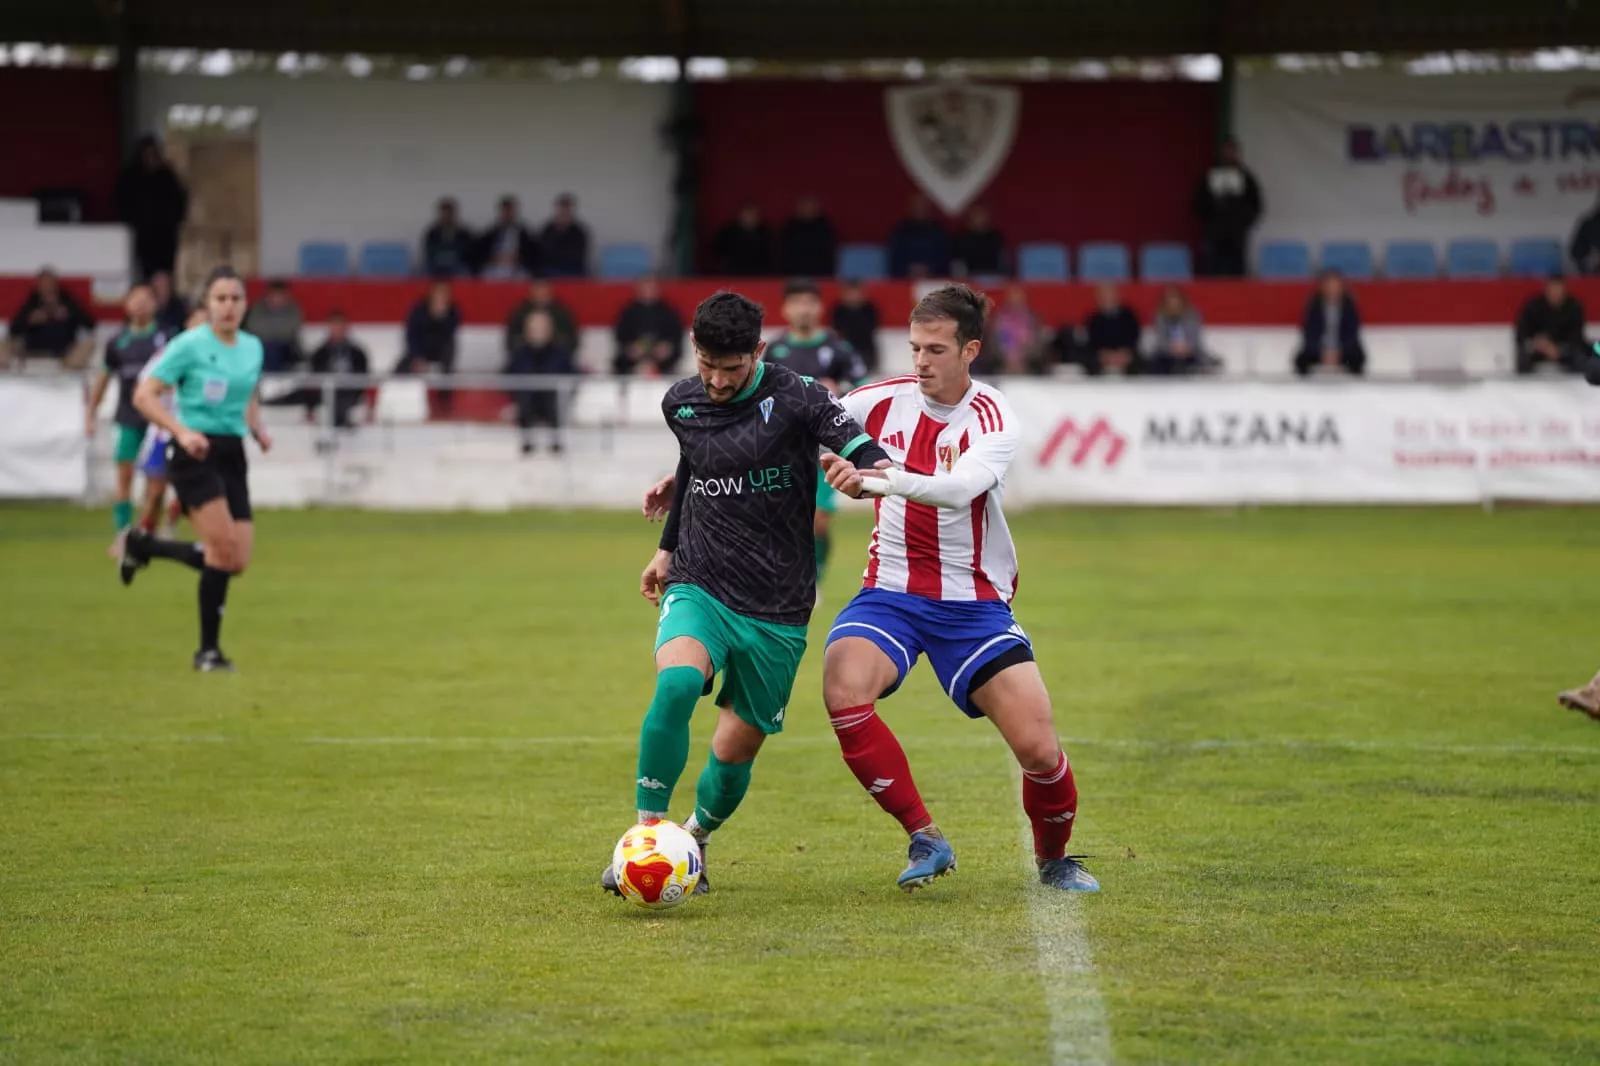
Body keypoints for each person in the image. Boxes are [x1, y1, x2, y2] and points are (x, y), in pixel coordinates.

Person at [601, 290, 892, 898]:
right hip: (702, 579)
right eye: (706, 363)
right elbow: (695, 469)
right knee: (677, 683)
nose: (716, 379)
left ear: (758, 352)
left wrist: (861, 472)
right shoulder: (679, 401)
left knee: (735, 750)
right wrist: (666, 550)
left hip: (779, 604)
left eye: (731, 369)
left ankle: (697, 839)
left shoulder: (800, 395)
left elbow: (865, 448)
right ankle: (646, 836)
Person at [816, 284, 1098, 894]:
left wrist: (879, 481)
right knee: (843, 689)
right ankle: (925, 836)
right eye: (915, 347)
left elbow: (958, 487)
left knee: (1040, 750)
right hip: (889, 592)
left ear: (970, 350)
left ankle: (1055, 859)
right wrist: (684, 477)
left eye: (936, 349)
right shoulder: (878, 402)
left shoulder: (992, 415)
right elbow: (789, 426)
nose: (920, 361)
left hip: (972, 603)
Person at [121, 267, 271, 673]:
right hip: (193, 452)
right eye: (219, 298)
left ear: (245, 304)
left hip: (232, 452)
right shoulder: (188, 345)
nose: (228, 306)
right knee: (221, 549)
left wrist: (257, 428)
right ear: (206, 304)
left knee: (238, 560)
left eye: (235, 298)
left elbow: (248, 390)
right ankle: (208, 653)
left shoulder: (253, 347)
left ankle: (145, 546)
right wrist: (182, 432)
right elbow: (144, 395)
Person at [764, 279, 871, 592]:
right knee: (785, 518)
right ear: (785, 308)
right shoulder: (776, 349)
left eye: (810, 302)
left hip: (826, 445)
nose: (804, 309)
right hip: (785, 445)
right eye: (797, 302)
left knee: (819, 519)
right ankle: (785, 577)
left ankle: (816, 577)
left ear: (820, 307)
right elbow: (761, 393)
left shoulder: (838, 348)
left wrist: (840, 391)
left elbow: (864, 389)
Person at [86, 284, 170, 541]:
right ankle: (123, 534)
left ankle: (147, 533)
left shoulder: (167, 338)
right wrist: (91, 413)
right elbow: (103, 379)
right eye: (135, 298)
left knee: (156, 481)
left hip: (158, 419)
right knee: (124, 474)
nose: (140, 304)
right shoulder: (116, 342)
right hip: (127, 417)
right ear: (126, 303)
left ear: (155, 304)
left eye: (146, 299)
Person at [115, 135, 189, 279]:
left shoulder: (167, 176)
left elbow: (180, 200)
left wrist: (175, 220)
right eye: (146, 154)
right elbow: (121, 202)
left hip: (165, 234)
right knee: (144, 272)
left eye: (152, 153)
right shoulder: (131, 177)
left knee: (165, 272)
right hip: (142, 236)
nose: (150, 158)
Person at [504, 308, 575, 455]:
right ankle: (527, 442)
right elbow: (507, 377)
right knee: (524, 398)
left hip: (553, 402)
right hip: (527, 403)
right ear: (527, 330)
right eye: (534, 328)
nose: (538, 332)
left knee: (555, 400)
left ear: (550, 329)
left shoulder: (561, 353)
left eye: (542, 328)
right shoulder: (519, 354)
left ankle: (556, 441)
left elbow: (573, 377)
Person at [1193, 136, 1263, 278]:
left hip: (1237, 234)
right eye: (1226, 150)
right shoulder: (1209, 175)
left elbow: (1256, 204)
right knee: (1214, 269)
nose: (1229, 154)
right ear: (1220, 152)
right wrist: (1212, 211)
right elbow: (1198, 203)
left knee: (1237, 270)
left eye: (1232, 151)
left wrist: (1242, 220)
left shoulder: (1246, 177)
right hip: (1215, 233)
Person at [4, 268, 96, 370]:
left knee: (88, 344)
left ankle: (69, 369)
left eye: (50, 283)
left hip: (64, 350)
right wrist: (29, 320)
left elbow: (90, 324)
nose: (47, 287)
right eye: (43, 283)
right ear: (38, 285)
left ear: (56, 284)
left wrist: (70, 314)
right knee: (3, 344)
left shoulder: (68, 301)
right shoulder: (32, 302)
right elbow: (12, 330)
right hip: (33, 347)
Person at [400, 281, 461, 415]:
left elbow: (449, 335)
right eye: (437, 295)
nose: (440, 298)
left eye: (444, 296)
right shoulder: (418, 310)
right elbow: (411, 336)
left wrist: (441, 317)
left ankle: (444, 402)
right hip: (420, 350)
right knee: (400, 368)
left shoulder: (452, 312)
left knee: (448, 362)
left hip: (441, 352)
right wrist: (417, 357)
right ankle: (402, 403)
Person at [1294, 271, 1366, 377]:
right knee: (1301, 360)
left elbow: (1352, 333)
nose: (1332, 289)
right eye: (1329, 286)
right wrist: (1322, 351)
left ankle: (1354, 390)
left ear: (1342, 288)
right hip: (1319, 350)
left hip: (1343, 350)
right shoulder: (1314, 307)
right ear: (1323, 287)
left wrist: (1339, 352)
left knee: (1357, 358)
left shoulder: (1349, 307)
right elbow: (1309, 333)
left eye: (1335, 286)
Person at [306, 312, 370, 429]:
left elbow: (364, 377)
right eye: (334, 326)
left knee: (341, 398)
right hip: (327, 391)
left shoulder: (357, 353)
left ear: (346, 328)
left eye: (340, 326)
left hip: (351, 391)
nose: (337, 330)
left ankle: (337, 425)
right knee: (331, 395)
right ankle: (340, 424)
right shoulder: (320, 353)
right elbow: (314, 378)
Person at [1514, 275, 1588, 375]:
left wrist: (1560, 349)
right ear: (1546, 290)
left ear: (1564, 291)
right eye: (1552, 290)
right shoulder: (1533, 306)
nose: (1555, 294)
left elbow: (1577, 335)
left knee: (1581, 355)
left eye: (1559, 290)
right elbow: (1522, 331)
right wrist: (1539, 343)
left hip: (1564, 348)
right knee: (1523, 354)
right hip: (1538, 348)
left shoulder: (1574, 307)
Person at [612, 277, 683, 376]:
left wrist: (667, 346)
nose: (648, 293)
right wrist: (630, 348)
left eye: (651, 289)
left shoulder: (668, 312)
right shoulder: (628, 312)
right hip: (634, 356)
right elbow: (620, 335)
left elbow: (676, 335)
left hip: (661, 356)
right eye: (645, 289)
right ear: (638, 291)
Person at [1146, 285, 1211, 376]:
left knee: (1198, 364)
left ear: (1182, 299)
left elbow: (1194, 338)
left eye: (1175, 298)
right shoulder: (1159, 316)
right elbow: (1161, 340)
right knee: (1156, 364)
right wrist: (1172, 348)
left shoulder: (1193, 315)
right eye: (1169, 298)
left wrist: (1185, 348)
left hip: (1190, 351)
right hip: (1166, 353)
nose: (1172, 302)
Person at [241, 279, 303, 373]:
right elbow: (254, 326)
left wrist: (270, 329)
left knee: (275, 349)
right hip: (261, 345)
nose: (276, 299)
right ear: (268, 296)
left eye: (280, 296)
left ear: (286, 296)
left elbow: (289, 330)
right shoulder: (258, 307)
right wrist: (276, 328)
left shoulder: (293, 309)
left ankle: (272, 377)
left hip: (286, 348)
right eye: (274, 295)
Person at [1081, 282, 1142, 376]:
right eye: (1104, 296)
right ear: (1098, 298)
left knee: (1139, 360)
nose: (1107, 298)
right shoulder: (1093, 319)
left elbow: (1134, 336)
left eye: (1110, 295)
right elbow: (1092, 341)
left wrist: (1124, 353)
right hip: (1102, 354)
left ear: (1117, 296)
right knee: (1088, 359)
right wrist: (1104, 354)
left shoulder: (1129, 315)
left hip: (1125, 353)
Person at [985, 283, 1048, 375]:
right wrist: (1008, 354)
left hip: (1026, 356)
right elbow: (995, 340)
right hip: (1004, 357)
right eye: (1012, 300)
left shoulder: (1032, 318)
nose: (1015, 303)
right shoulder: (999, 318)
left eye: (1018, 300)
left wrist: (1023, 353)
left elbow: (1037, 340)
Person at [504, 279, 578, 355]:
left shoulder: (561, 312)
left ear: (550, 292)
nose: (541, 294)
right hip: (526, 352)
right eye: (538, 290)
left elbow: (571, 338)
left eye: (543, 290)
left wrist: (553, 338)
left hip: (555, 351)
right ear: (531, 292)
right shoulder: (521, 312)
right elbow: (512, 338)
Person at [887, 195, 952, 279]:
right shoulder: (899, 231)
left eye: (923, 206)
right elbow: (895, 258)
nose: (920, 209)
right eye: (917, 206)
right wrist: (910, 269)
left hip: (934, 279)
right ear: (910, 208)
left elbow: (945, 258)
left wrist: (929, 269)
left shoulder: (939, 231)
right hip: (905, 279)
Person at [477, 195, 540, 279]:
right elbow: (482, 251)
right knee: (485, 276)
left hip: (516, 267)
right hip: (495, 266)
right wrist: (494, 258)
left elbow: (531, 252)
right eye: (505, 211)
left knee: (524, 277)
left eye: (510, 211)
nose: (507, 214)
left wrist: (518, 258)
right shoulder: (491, 232)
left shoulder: (523, 232)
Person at [779, 195, 837, 277]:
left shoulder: (825, 227)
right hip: (794, 274)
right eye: (804, 206)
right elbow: (784, 253)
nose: (807, 209)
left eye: (810, 206)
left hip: (820, 274)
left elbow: (830, 253)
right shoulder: (790, 227)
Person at [710, 203, 776, 276]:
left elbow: (771, 257)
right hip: (733, 275)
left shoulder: (765, 233)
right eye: (747, 215)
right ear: (740, 216)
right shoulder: (728, 232)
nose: (749, 218)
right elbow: (717, 252)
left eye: (753, 215)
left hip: (759, 276)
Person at [831, 280, 881, 373]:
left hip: (865, 348)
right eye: (850, 293)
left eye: (856, 293)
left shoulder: (869, 308)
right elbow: (836, 329)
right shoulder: (839, 309)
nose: (853, 296)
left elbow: (872, 328)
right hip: (845, 347)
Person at [421, 198, 475, 278]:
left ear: (453, 215)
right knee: (423, 272)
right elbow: (429, 250)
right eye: (444, 214)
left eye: (448, 214)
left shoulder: (463, 232)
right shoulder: (432, 232)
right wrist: (444, 254)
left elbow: (467, 250)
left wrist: (452, 253)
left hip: (457, 263)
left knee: (464, 273)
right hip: (436, 263)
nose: (446, 217)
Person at [540, 193, 590, 278]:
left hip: (572, 270)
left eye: (567, 209)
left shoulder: (579, 232)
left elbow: (578, 256)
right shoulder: (548, 229)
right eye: (561, 208)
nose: (564, 212)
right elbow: (543, 251)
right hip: (551, 269)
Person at [950, 205, 1004, 277]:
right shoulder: (962, 237)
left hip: (993, 276)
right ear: (970, 218)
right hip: (969, 277)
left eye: (982, 216)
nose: (979, 219)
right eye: (976, 216)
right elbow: (957, 262)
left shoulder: (995, 237)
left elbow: (1002, 260)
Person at [149, 270, 189, 336]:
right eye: (158, 285)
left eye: (164, 284)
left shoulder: (180, 306)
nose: (161, 287)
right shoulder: (150, 307)